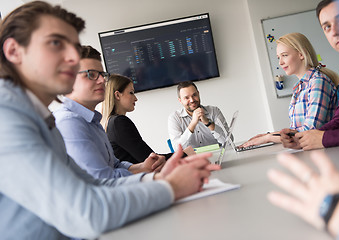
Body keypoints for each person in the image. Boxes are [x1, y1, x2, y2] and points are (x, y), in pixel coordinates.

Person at [0, 2, 219, 239]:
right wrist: (172, 187)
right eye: (56, 43)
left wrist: (159, 179)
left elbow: (94, 185)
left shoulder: (40, 117)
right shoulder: (7, 118)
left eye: (74, 47)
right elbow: (85, 213)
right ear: (13, 51)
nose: (73, 58)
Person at [54, 45, 168, 178]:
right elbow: (103, 178)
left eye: (102, 75)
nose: (102, 80)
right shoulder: (68, 122)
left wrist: (143, 167)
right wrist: (153, 178)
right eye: (92, 74)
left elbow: (115, 165)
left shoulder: (94, 120)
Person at [280, 0, 339, 151]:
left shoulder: (318, 80)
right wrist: (303, 139)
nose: (335, 31)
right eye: (327, 27)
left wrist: (324, 138)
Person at [241, 32, 339, 148]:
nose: (280, 62)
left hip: (325, 153)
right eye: (279, 57)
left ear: (301, 54)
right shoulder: (300, 87)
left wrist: (268, 138)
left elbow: (308, 133)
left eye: (285, 55)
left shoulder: (318, 82)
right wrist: (269, 134)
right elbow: (295, 130)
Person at [101, 74, 194, 164]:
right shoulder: (119, 122)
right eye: (131, 93)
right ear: (117, 95)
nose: (135, 98)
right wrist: (184, 154)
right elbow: (151, 161)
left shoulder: (110, 123)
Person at [168, 81, 230, 150]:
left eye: (194, 95)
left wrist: (208, 123)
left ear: (198, 94)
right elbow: (177, 149)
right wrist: (192, 124)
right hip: (192, 159)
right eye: (186, 98)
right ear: (180, 100)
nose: (192, 100)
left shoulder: (214, 111)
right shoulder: (174, 118)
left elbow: (229, 141)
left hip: (218, 157)